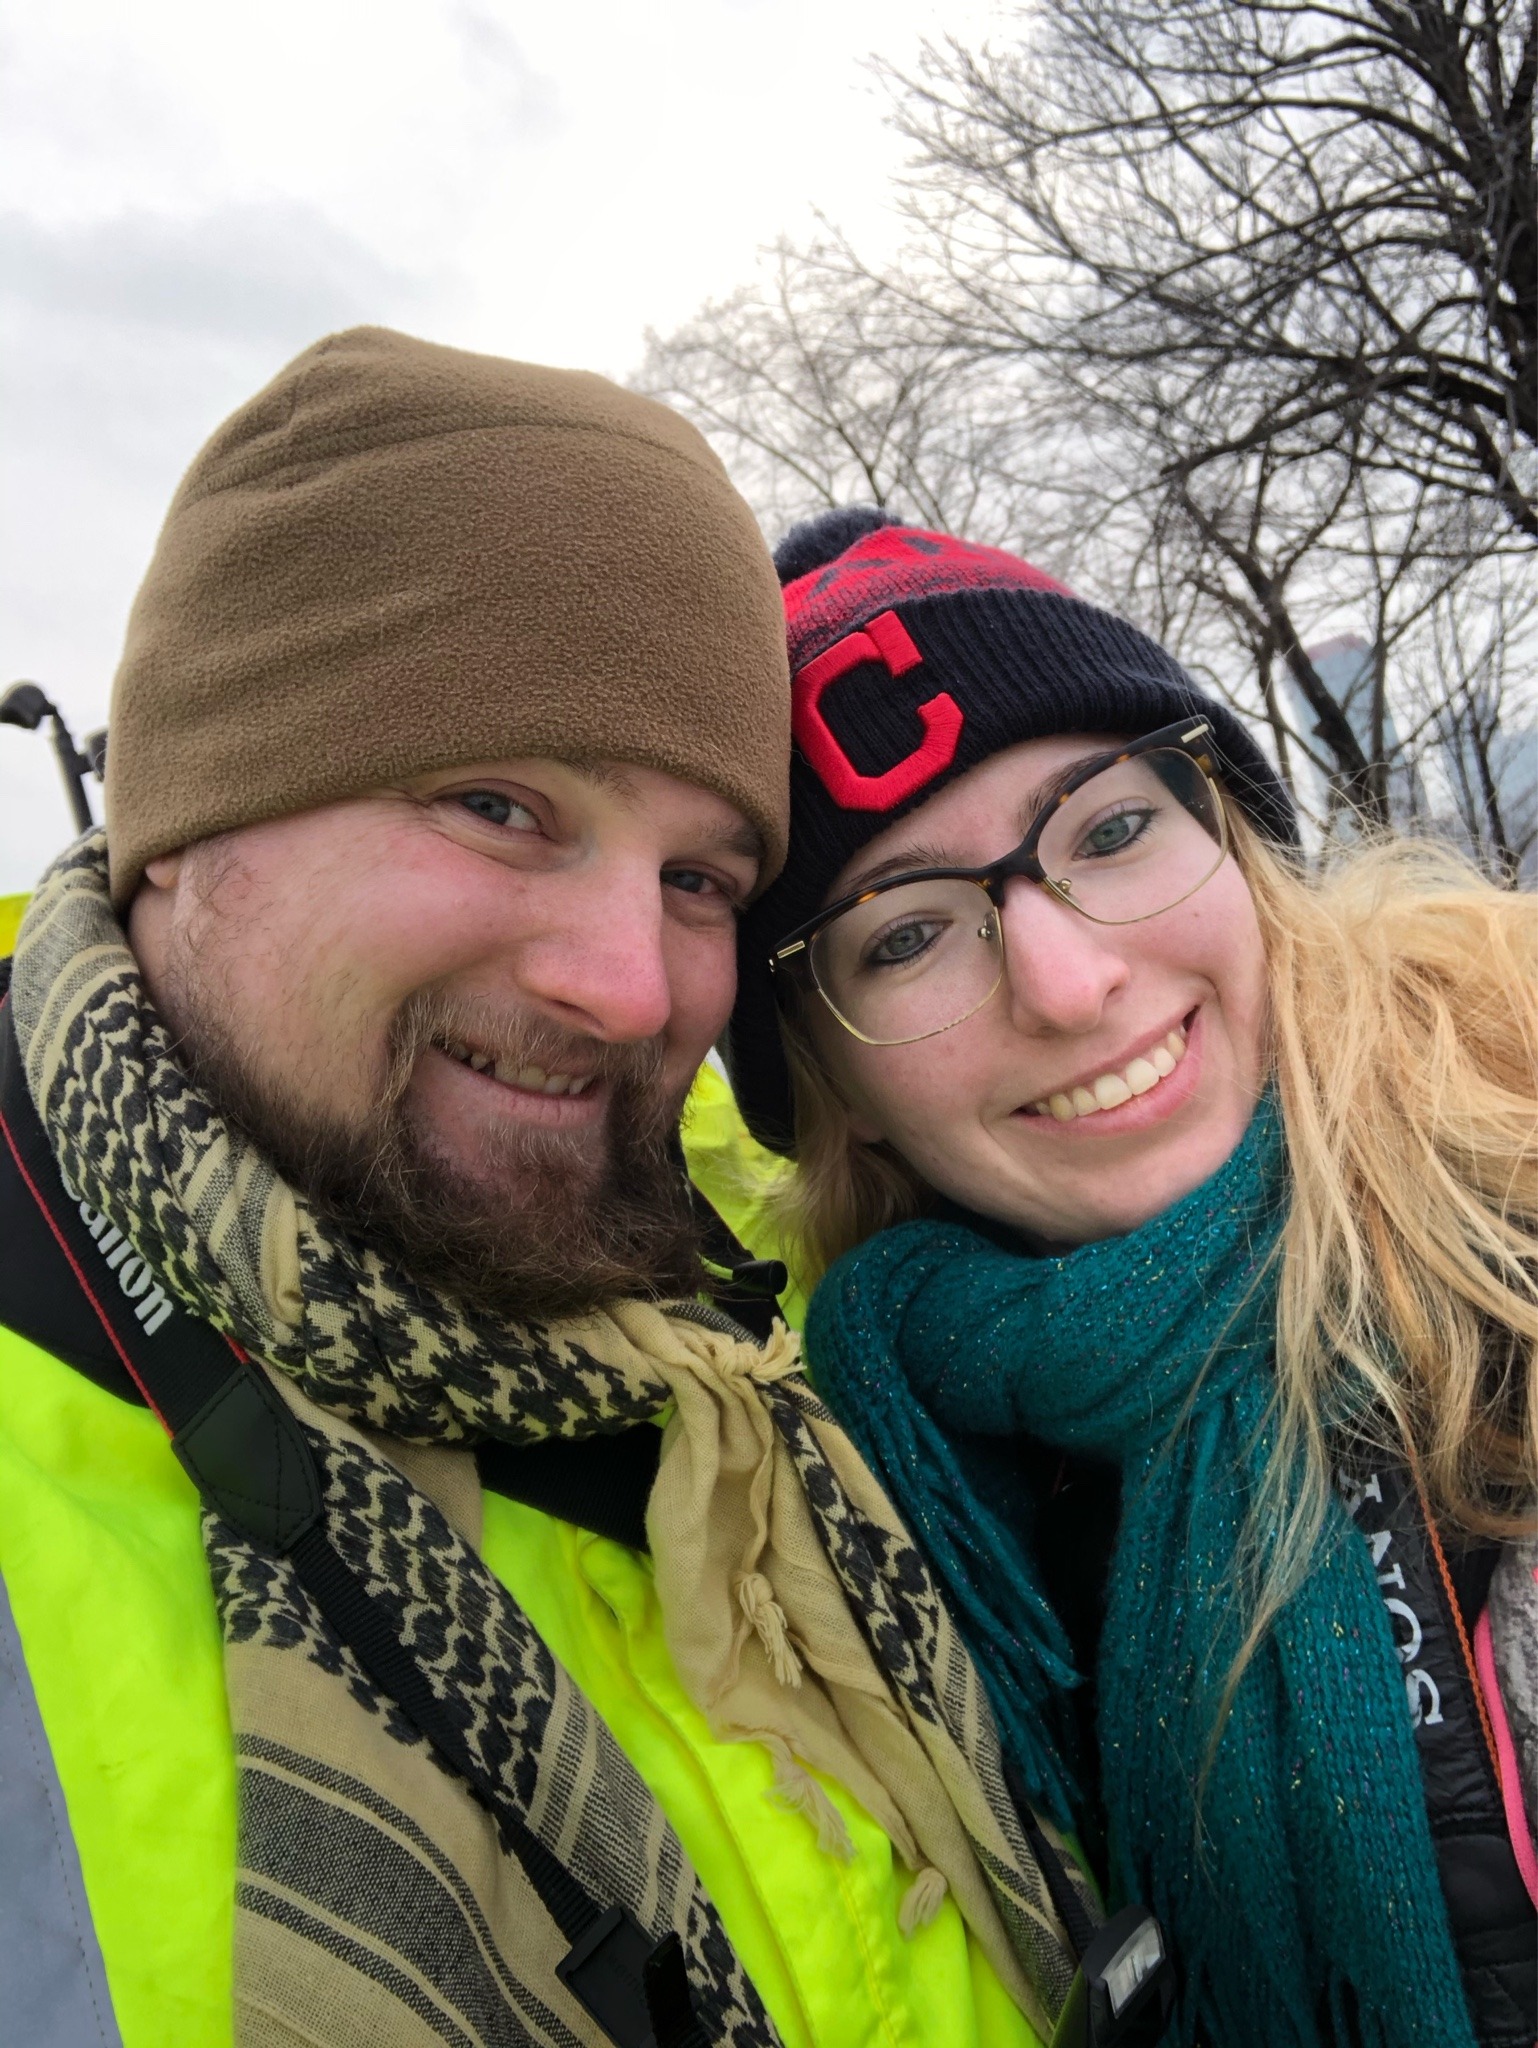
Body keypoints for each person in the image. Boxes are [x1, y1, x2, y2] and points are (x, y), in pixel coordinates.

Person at [0, 343, 1100, 2048]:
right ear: (189, 819)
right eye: (499, 806)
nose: (628, 985)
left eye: (696, 879)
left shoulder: (814, 1300)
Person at [722, 507, 1538, 2048]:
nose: (1069, 980)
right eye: (906, 937)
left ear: (1230, 834)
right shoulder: (863, 1500)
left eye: (1107, 830)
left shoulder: (1511, 1192)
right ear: (826, 1079)